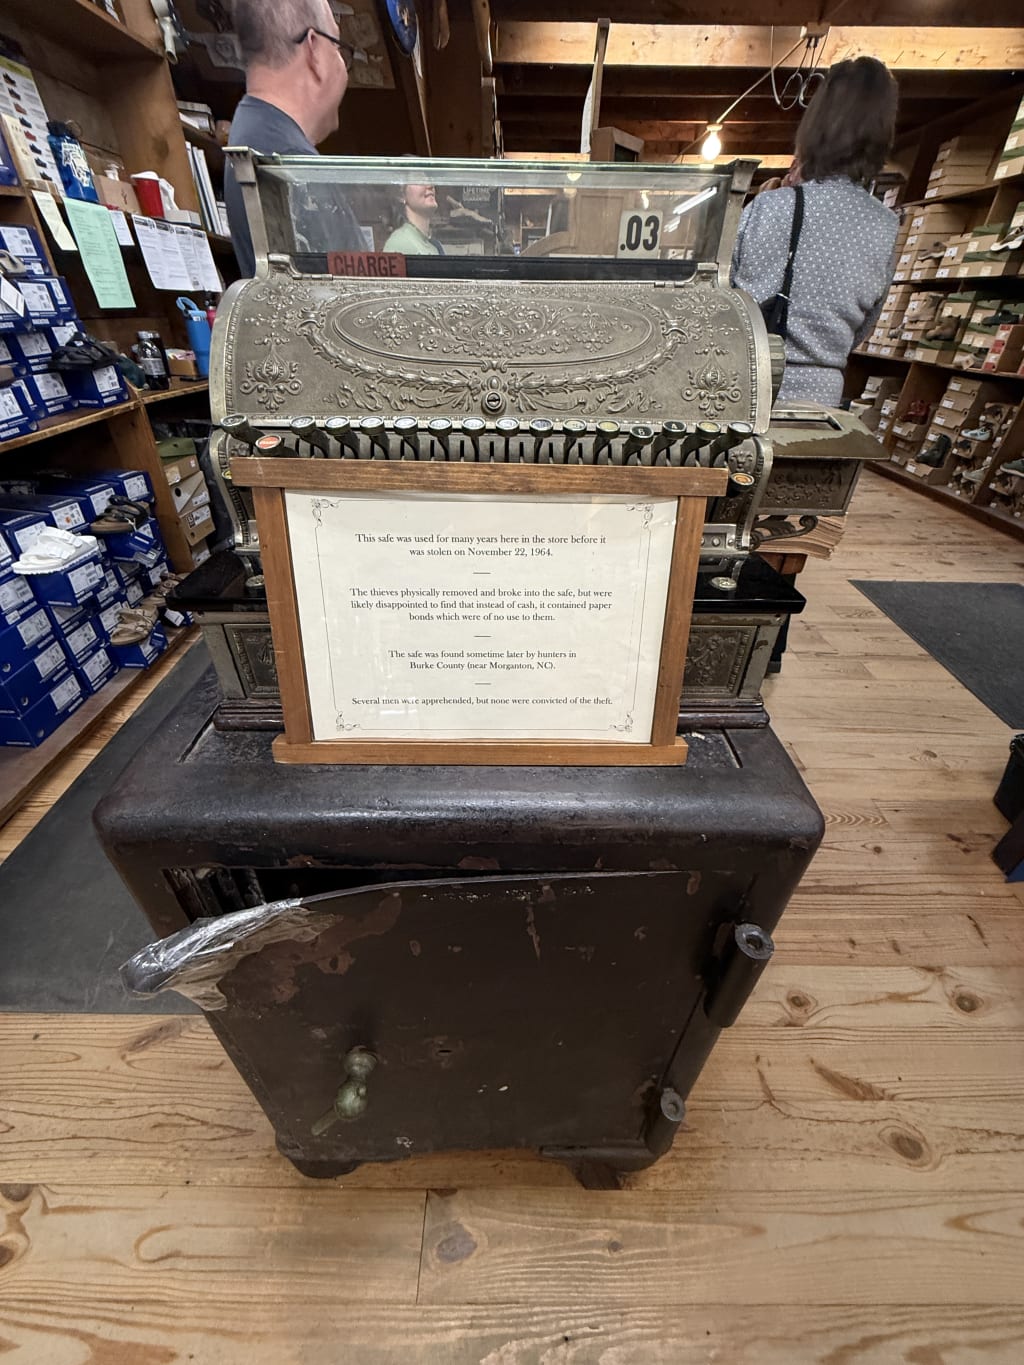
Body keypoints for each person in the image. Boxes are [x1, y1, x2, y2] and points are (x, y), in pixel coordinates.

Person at [731, 57, 900, 407]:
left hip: (748, 387)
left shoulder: (772, 207)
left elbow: (725, 298)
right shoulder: (885, 225)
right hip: (822, 395)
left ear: (817, 124)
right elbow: (865, 325)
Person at [226, 0, 363, 275]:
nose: (342, 67)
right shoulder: (286, 164)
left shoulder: (254, 132)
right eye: (338, 48)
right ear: (314, 48)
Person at [383, 184, 446, 255]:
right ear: (402, 195)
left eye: (430, 180)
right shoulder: (400, 242)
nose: (430, 186)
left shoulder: (435, 245)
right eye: (419, 181)